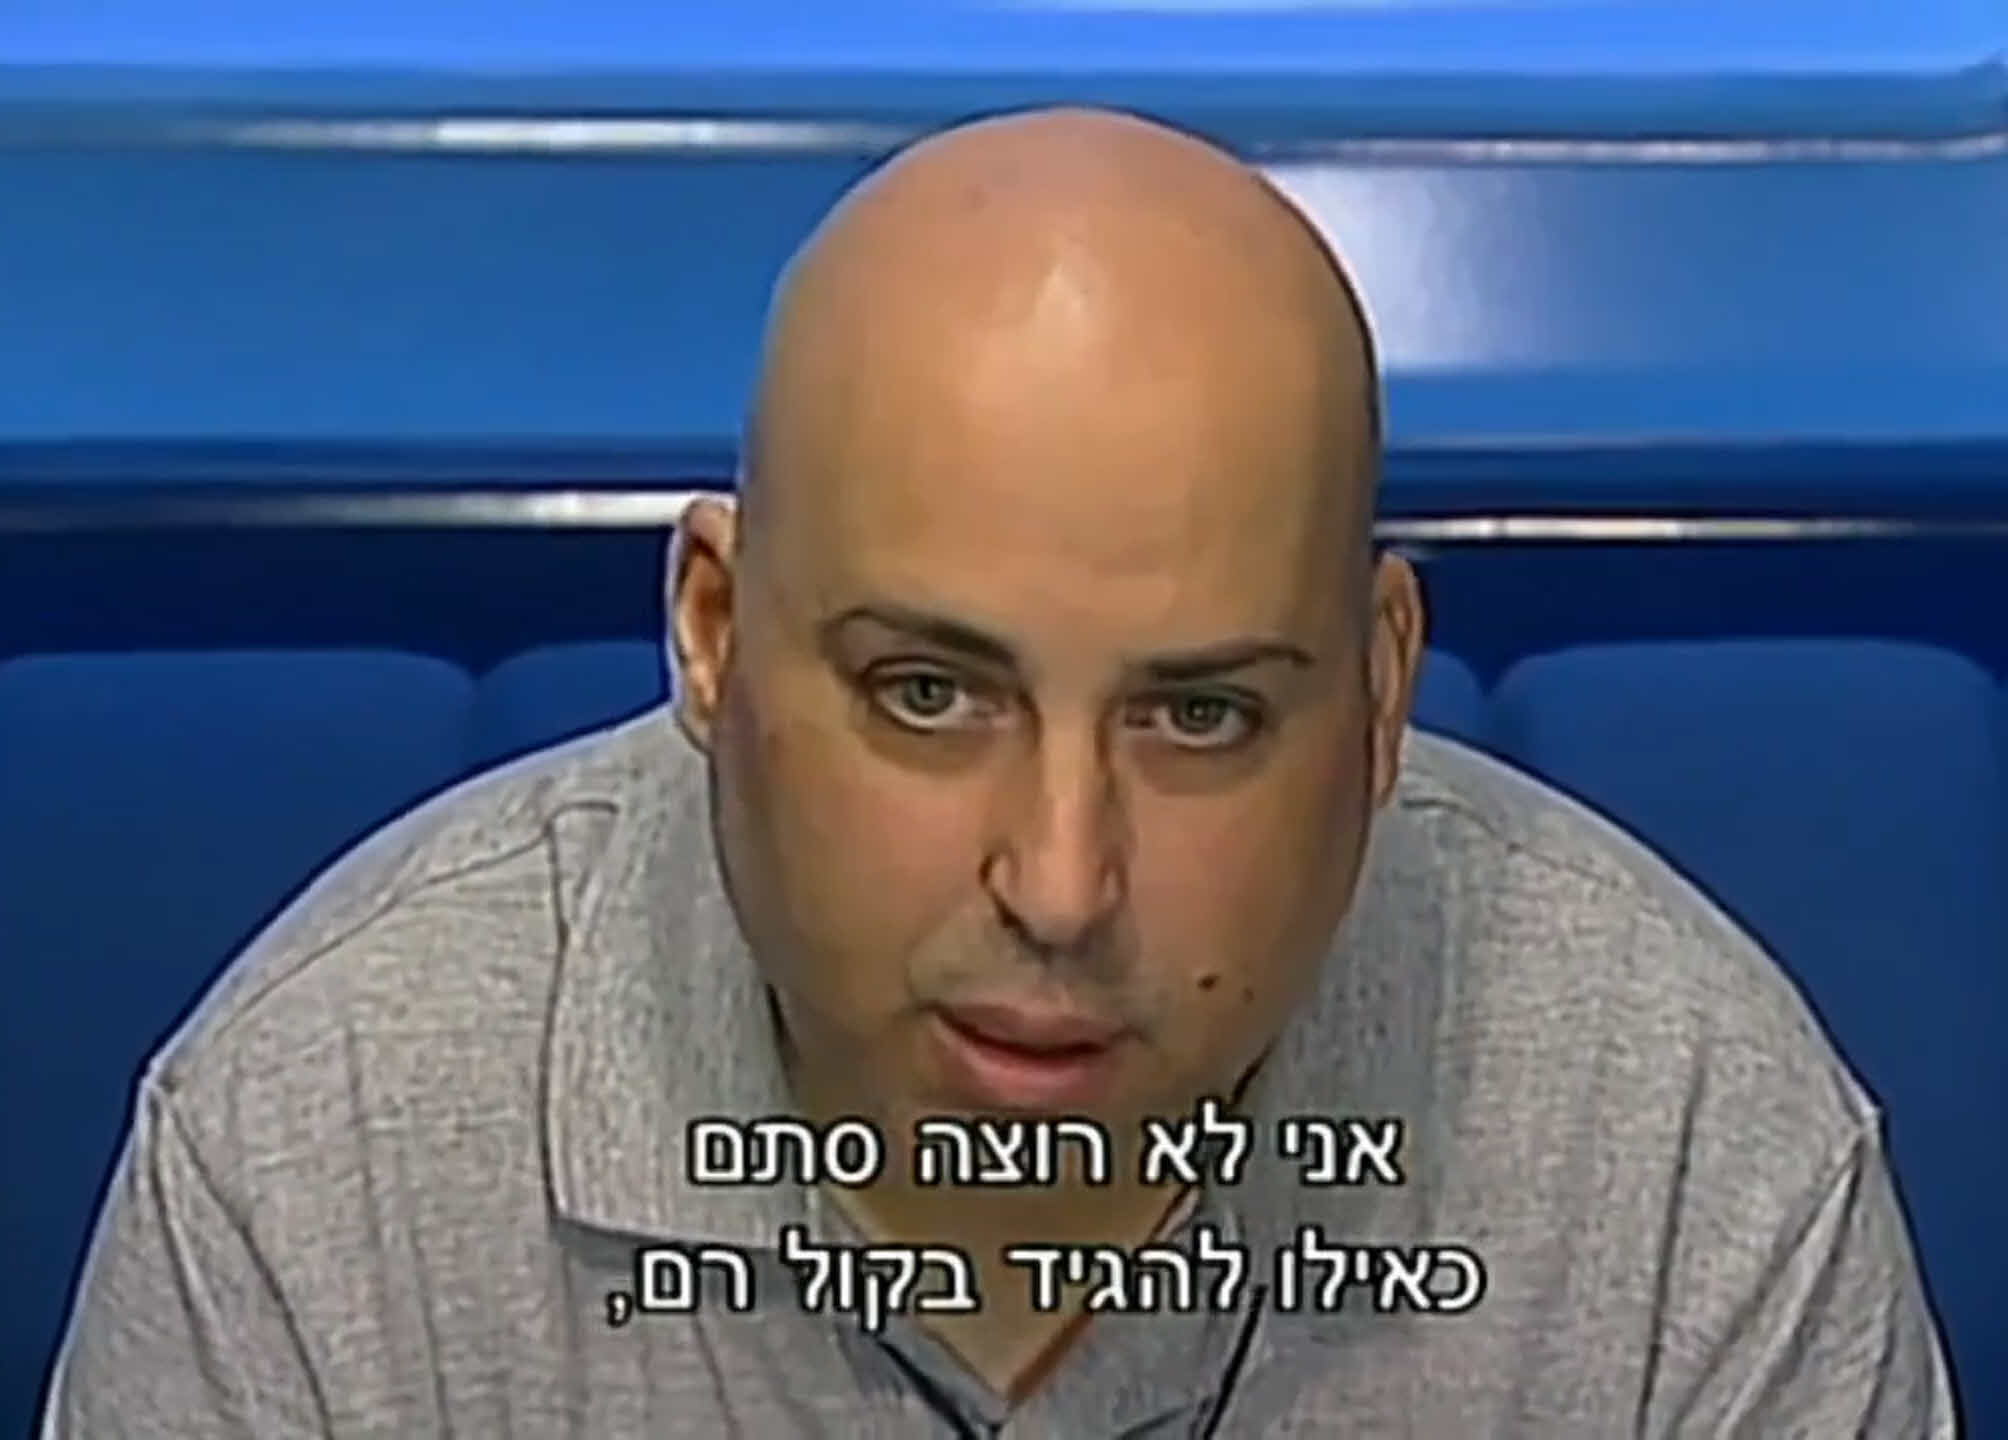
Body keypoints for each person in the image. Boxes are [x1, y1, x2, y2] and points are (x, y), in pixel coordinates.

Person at [46, 107, 1952, 1437]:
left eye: (1201, 718)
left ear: (1381, 696)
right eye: (928, 695)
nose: (1058, 882)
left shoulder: (1685, 1147)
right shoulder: (321, 1155)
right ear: (712, 630)